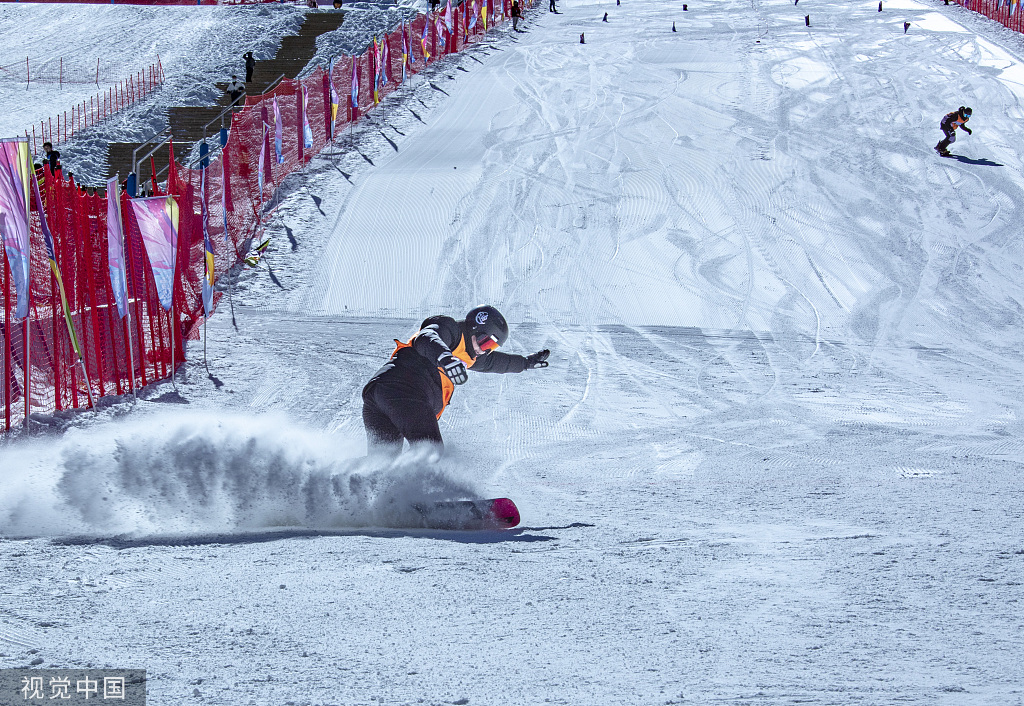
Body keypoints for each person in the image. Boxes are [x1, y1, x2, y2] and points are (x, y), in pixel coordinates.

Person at [362, 306, 551, 454]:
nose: (484, 350)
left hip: (380, 395)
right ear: (475, 329)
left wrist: (525, 363)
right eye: (486, 342)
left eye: (491, 347)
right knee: (429, 451)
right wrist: (445, 358)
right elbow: (426, 338)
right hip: (402, 389)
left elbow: (496, 362)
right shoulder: (451, 330)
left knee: (382, 462)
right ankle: (415, 498)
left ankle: (343, 483)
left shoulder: (467, 356)